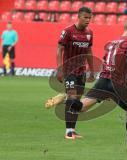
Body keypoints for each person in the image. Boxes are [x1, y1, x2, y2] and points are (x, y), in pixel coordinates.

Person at [67, 19, 127, 152]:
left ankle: (67, 99)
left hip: (103, 80)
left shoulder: (112, 43)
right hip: (116, 83)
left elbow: (108, 60)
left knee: (81, 107)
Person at [50, 7, 95, 139]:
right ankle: (68, 131)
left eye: (89, 18)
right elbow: (59, 50)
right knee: (72, 97)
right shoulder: (68, 31)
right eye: (85, 17)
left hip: (81, 71)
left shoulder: (89, 33)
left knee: (77, 101)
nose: (88, 20)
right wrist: (59, 68)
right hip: (69, 70)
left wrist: (92, 70)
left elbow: (89, 52)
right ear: (79, 17)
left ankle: (73, 130)